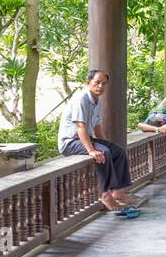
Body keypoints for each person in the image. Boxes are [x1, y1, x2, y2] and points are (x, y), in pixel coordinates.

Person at [58, 69, 137, 217]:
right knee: (104, 153)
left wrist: (106, 143)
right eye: (97, 82)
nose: (100, 86)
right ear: (87, 83)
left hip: (83, 138)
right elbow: (80, 127)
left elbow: (97, 126)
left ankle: (118, 191)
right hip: (70, 142)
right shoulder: (81, 98)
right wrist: (92, 150)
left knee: (117, 151)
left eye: (103, 84)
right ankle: (104, 194)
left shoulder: (97, 101)